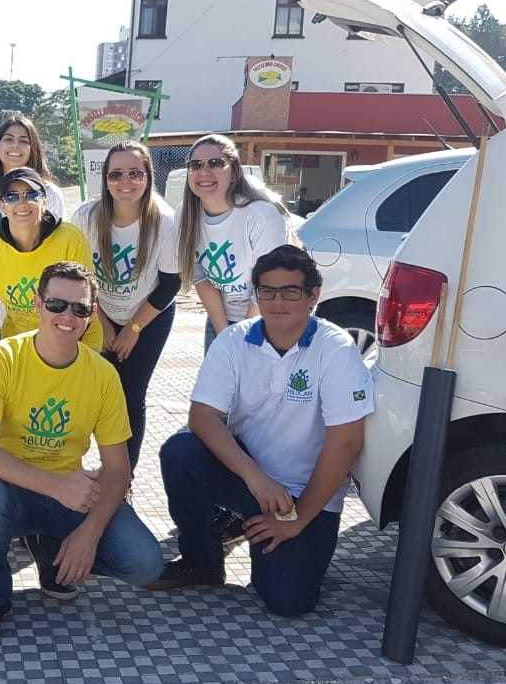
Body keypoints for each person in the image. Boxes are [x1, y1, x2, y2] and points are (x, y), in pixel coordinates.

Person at [150, 245, 373, 617]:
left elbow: (347, 442)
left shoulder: (335, 348)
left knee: (289, 601)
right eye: (267, 291)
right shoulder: (234, 340)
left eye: (290, 291)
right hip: (251, 478)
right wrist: (256, 478)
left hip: (305, 492)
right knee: (180, 452)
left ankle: (266, 534)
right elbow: (202, 417)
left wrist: (300, 517)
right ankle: (202, 562)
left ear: (313, 295)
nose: (277, 301)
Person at [0, 261, 163, 646]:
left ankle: (52, 550)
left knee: (144, 563)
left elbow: (118, 468)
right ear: (38, 304)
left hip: (68, 498)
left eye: (79, 309)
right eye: (56, 304)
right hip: (9, 491)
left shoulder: (103, 374)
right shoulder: (1, 358)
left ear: (92, 315)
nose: (67, 316)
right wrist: (56, 486)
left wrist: (88, 534)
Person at [70, 141, 181, 469]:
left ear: (148, 177)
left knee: (131, 395)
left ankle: (122, 476)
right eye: (116, 174)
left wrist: (133, 328)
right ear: (105, 180)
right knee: (90, 391)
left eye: (135, 173)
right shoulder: (87, 217)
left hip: (149, 314)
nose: (125, 182)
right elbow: (77, 276)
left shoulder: (165, 221)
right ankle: (69, 467)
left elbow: (170, 284)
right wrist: (102, 323)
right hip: (97, 311)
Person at [176, 133, 292, 352]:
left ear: (235, 173)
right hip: (222, 316)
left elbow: (271, 284)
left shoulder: (260, 215)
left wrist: (244, 340)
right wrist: (226, 337)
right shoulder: (185, 215)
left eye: (216, 163)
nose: (204, 171)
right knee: (220, 373)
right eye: (195, 165)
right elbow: (201, 278)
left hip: (273, 315)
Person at [0, 167, 102, 352]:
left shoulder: (70, 238)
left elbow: (83, 303)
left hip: (77, 338)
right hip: (19, 342)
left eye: (31, 195)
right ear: (3, 206)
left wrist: (55, 354)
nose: (22, 203)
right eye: (12, 197)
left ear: (44, 200)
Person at [0, 114, 64, 229]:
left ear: (33, 149)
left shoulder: (50, 193)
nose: (15, 145)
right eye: (8, 139)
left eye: (23, 141)